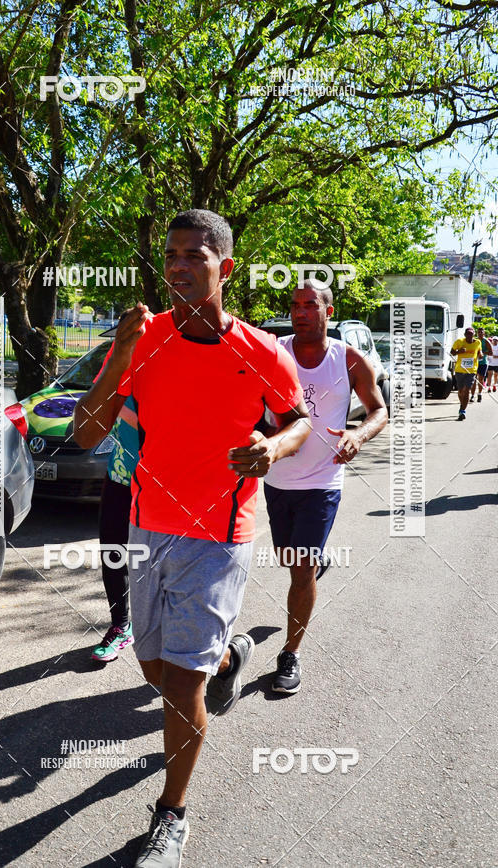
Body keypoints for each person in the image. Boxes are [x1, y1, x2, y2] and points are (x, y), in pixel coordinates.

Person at [73, 209, 311, 868]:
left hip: (220, 534)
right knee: (153, 670)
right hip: (147, 529)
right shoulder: (141, 340)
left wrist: (273, 446)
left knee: (180, 688)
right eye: (171, 255)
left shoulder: (260, 350)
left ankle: (170, 813)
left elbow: (298, 422)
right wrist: (120, 352)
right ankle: (229, 659)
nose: (178, 266)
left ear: (224, 268)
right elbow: (87, 435)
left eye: (194, 256)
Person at [262, 282, 388, 693]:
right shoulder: (272, 350)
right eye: (295, 305)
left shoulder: (349, 360)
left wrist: (358, 436)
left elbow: (379, 410)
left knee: (299, 567)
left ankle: (290, 654)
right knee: (289, 557)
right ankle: (313, 565)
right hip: (277, 477)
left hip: (322, 481)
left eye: (310, 305)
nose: (301, 312)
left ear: (328, 312)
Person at [90, 393, 138, 662]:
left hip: (163, 481)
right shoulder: (121, 360)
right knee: (112, 552)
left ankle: (168, 631)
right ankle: (121, 626)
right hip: (119, 474)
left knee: (163, 559)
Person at [450, 327, 481, 420]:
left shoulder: (477, 342)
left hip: (471, 371)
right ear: (465, 335)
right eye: (468, 334)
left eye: (471, 334)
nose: (469, 336)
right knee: (460, 391)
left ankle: (462, 411)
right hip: (460, 370)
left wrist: (481, 354)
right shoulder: (459, 342)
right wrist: (459, 351)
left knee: (467, 390)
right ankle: (462, 404)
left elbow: (479, 351)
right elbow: (452, 352)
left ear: (474, 334)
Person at [470, 327, 491, 403]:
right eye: (479, 332)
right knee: (473, 380)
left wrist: (483, 353)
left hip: (483, 363)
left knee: (481, 379)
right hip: (474, 363)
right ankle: (472, 395)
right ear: (477, 333)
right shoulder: (474, 341)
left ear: (484, 333)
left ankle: (479, 394)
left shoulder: (486, 341)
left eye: (481, 333)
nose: (480, 334)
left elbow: (491, 352)